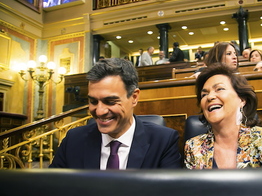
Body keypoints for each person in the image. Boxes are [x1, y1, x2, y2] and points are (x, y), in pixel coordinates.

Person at [50, 58, 182, 169]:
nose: (100, 111)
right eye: (93, 101)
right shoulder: (74, 140)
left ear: (134, 97)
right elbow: (51, 190)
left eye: (110, 101)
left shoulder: (163, 141)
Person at [184, 63, 262, 169]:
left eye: (219, 89)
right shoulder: (193, 146)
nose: (210, 97)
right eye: (204, 94)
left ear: (242, 100)